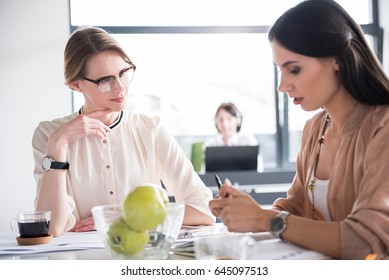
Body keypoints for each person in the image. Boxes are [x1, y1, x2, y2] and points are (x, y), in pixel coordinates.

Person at [209, 0, 389, 260]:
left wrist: (264, 219)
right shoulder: (314, 129)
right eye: (280, 70)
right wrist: (247, 208)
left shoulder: (382, 128)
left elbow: (364, 241)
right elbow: (295, 208)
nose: (282, 86)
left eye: (294, 69)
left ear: (337, 59)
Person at [32, 26, 215, 237]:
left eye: (123, 73)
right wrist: (59, 141)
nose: (120, 88)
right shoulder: (49, 134)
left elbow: (205, 209)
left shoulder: (150, 130)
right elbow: (52, 227)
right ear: (76, 85)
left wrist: (127, 216)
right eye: (105, 81)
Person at [203, 102, 263, 171]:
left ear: (238, 121)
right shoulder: (210, 144)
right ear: (216, 122)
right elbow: (205, 173)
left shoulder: (247, 140)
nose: (225, 124)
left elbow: (259, 170)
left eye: (229, 119)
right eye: (221, 119)